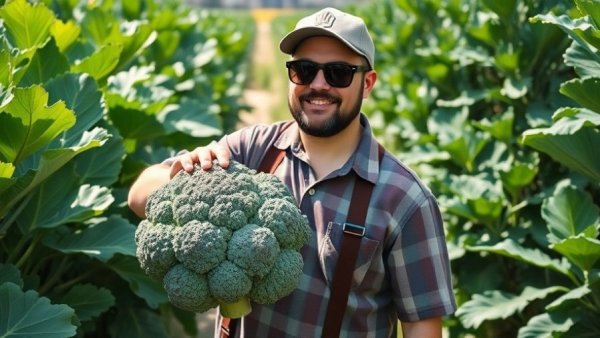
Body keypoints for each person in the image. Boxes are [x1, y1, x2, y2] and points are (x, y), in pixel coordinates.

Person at [128, 7, 456, 338]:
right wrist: (178, 177)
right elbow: (139, 195)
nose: (318, 85)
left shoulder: (404, 197)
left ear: (367, 83)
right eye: (304, 70)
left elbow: (421, 326)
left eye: (338, 73)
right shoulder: (252, 148)